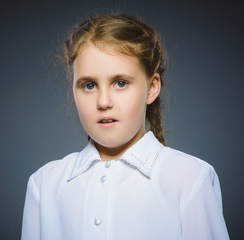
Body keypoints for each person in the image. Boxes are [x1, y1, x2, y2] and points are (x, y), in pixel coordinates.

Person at [21, 13, 229, 240]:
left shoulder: (189, 178)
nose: (103, 102)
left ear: (152, 88)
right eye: (89, 85)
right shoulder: (45, 183)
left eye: (120, 83)